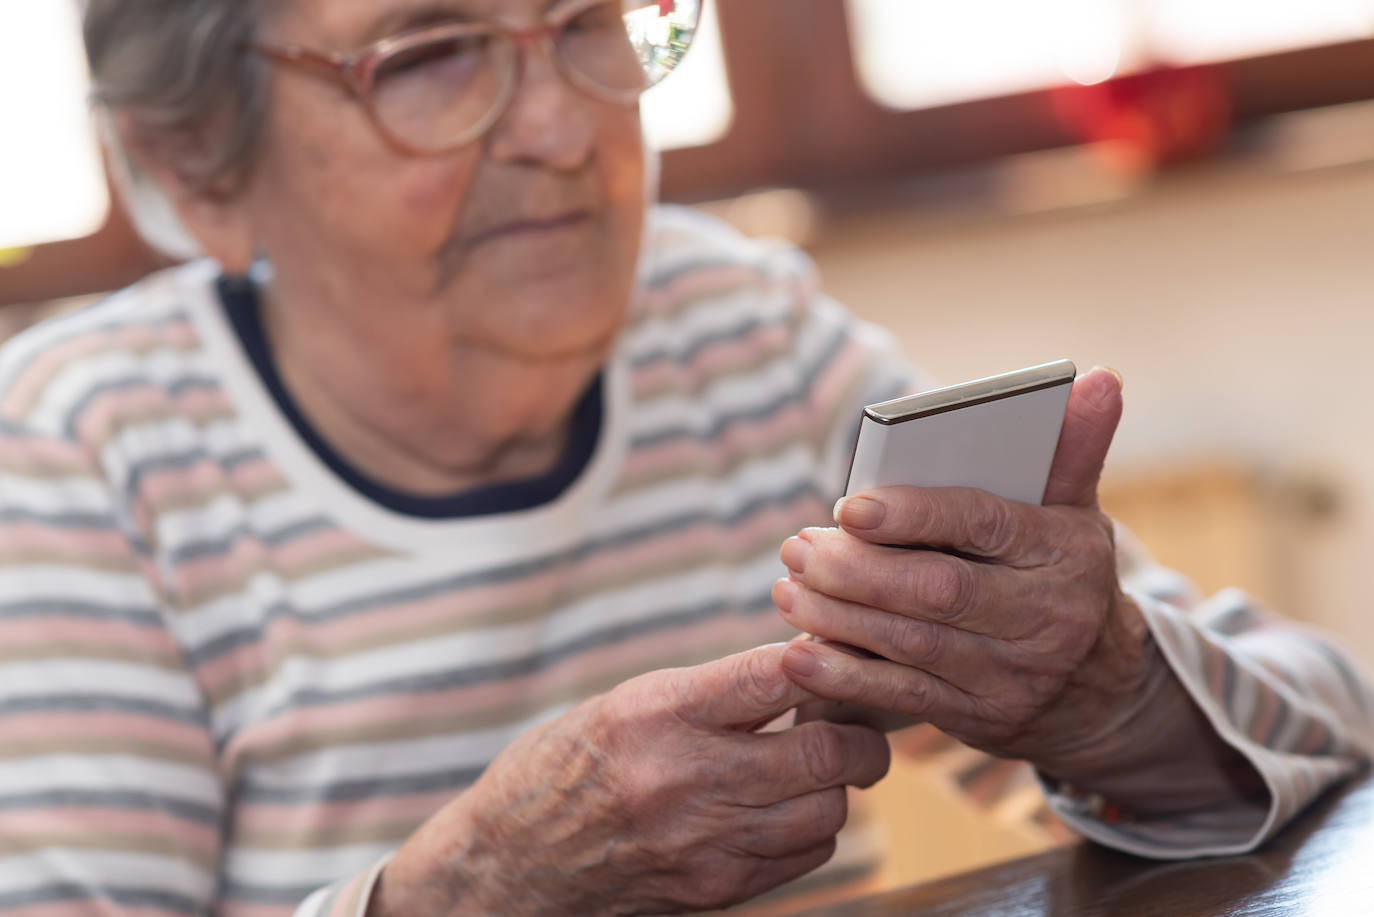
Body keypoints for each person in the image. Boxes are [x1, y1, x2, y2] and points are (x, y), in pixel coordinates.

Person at [0, 1, 1370, 914]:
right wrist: (468, 885)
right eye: (425, 56)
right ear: (194, 168)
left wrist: (1104, 698)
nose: (561, 131)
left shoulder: (739, 334)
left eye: (590, 22)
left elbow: (1324, 715)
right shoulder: (77, 456)